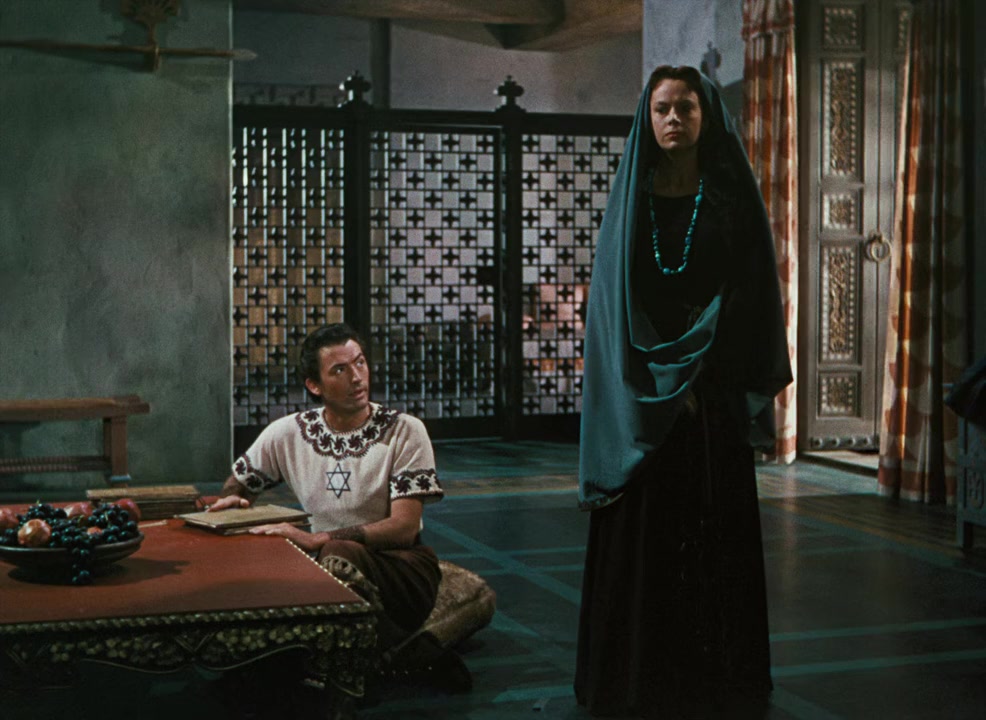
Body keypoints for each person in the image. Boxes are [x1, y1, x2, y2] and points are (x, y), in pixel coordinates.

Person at [574, 65, 792, 718]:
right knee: (644, 533)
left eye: (686, 108)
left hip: (711, 391)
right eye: (662, 108)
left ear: (706, 116)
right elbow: (614, 302)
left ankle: (715, 683)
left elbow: (750, 292)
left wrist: (701, 372)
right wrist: (655, 378)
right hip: (644, 391)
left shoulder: (728, 198)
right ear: (648, 118)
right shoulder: (632, 198)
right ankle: (636, 680)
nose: (674, 119)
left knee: (711, 527)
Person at [209, 322, 470, 700]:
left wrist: (322, 538)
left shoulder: (404, 430)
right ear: (314, 385)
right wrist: (235, 501)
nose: (357, 377)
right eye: (340, 370)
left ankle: (344, 667)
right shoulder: (289, 432)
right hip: (322, 563)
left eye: (360, 362)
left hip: (400, 569)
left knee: (336, 554)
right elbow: (237, 483)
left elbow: (404, 527)